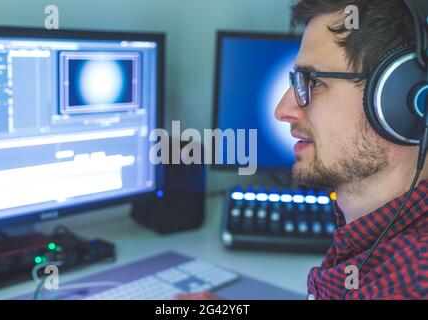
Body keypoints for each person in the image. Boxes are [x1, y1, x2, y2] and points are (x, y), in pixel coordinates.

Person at [176, 0, 428, 300]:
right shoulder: (372, 236)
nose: (282, 110)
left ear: (401, 97)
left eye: (314, 81)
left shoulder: (412, 282)